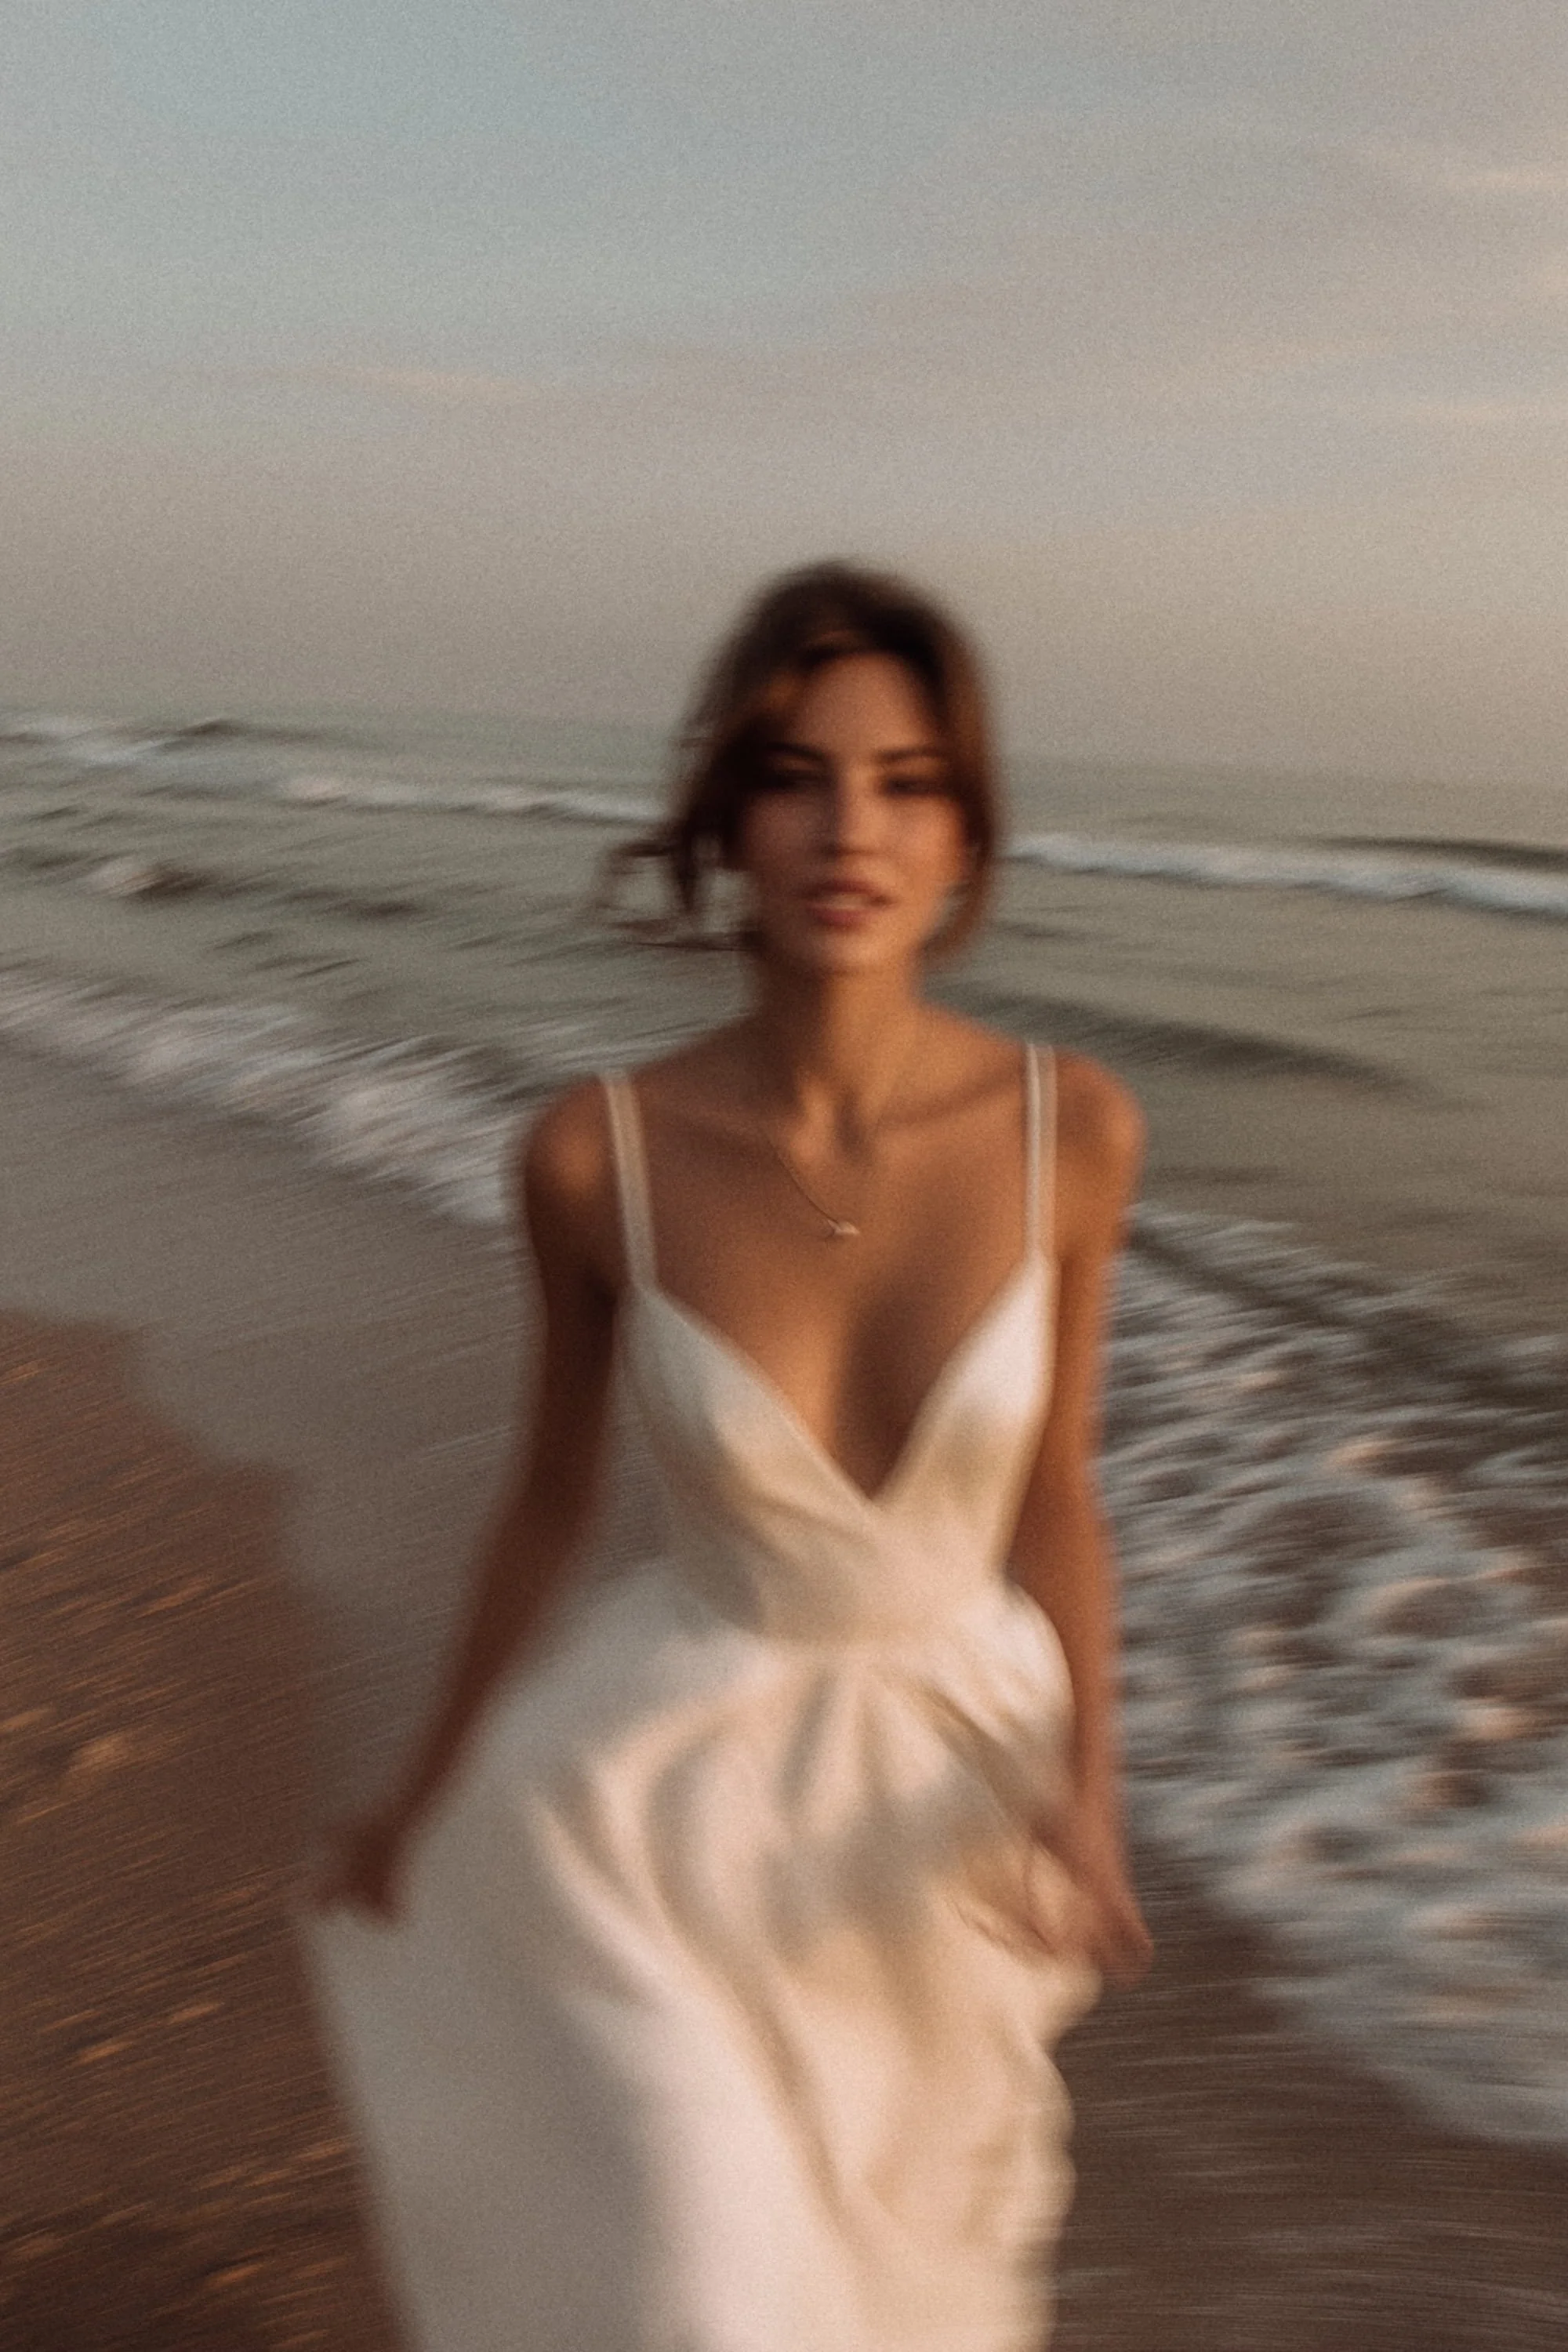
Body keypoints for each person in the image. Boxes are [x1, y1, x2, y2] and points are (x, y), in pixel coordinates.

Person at [315, 560, 1152, 2351]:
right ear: (727, 820)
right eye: (795, 772)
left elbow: (1055, 1500)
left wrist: (1090, 1791)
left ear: (963, 835)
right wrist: (423, 1787)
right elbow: (543, 1502)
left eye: (907, 779)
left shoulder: (1065, 1131)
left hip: (939, 1812)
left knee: (904, 2293)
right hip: (665, 1802)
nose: (850, 824)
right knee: (706, 2285)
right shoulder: (590, 1156)